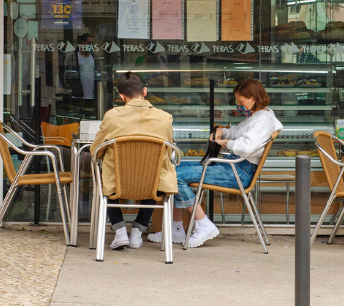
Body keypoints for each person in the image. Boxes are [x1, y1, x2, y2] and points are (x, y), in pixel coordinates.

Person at [151, 78, 282, 248]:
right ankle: (176, 229)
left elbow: (246, 146)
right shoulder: (257, 116)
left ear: (253, 98)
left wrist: (224, 143)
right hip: (234, 167)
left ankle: (203, 224)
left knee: (174, 175)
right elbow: (237, 131)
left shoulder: (262, 121)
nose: (238, 105)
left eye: (241, 102)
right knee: (173, 170)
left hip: (239, 172)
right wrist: (223, 131)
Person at [90, 71, 177, 250]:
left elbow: (95, 151)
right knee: (156, 172)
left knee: (102, 175)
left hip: (118, 181)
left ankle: (120, 231)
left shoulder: (112, 116)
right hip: (152, 184)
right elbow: (168, 151)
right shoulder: (165, 117)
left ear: (122, 96)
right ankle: (137, 232)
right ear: (145, 91)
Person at [64, 32, 97, 116]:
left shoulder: (93, 58)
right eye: (89, 42)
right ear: (82, 43)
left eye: (92, 43)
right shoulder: (74, 57)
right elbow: (68, 76)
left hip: (92, 96)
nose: (91, 45)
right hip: (78, 96)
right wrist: (76, 89)